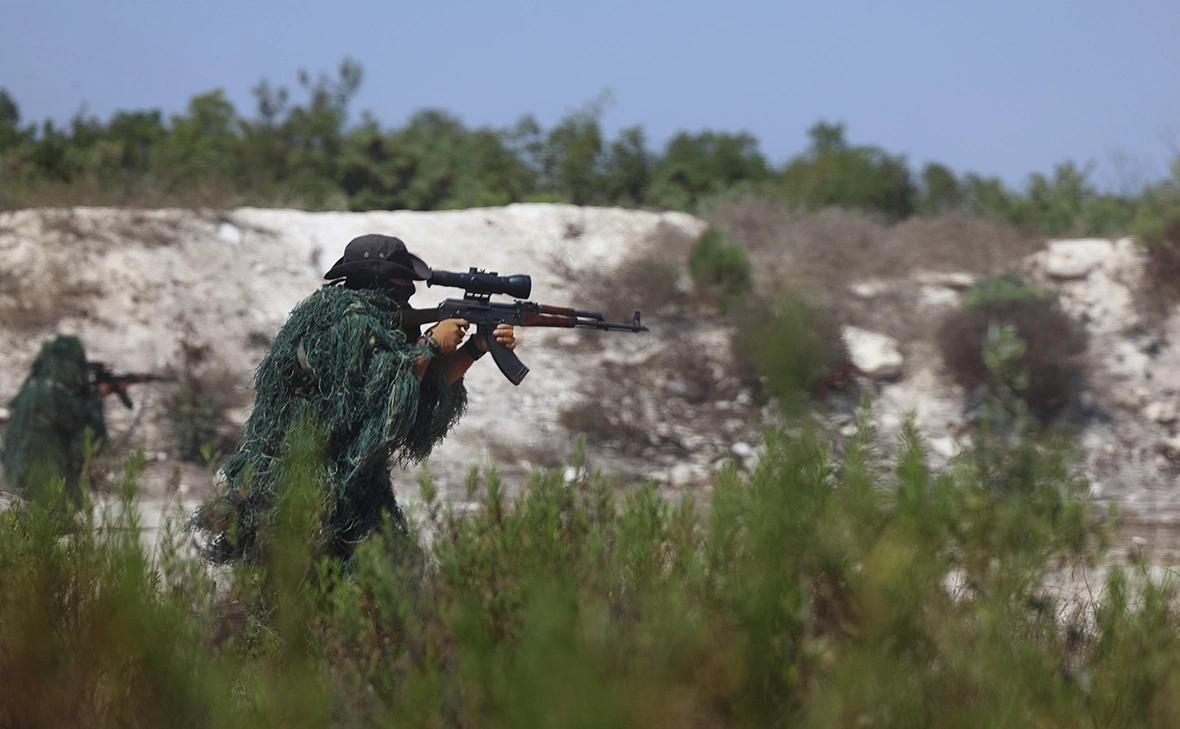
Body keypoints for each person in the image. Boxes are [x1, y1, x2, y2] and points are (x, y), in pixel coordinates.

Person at [197, 234, 515, 561]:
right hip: (305, 482)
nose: (409, 287)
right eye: (401, 278)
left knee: (392, 573)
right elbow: (380, 400)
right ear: (375, 277)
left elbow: (423, 390)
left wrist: (476, 347)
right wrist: (429, 345)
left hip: (351, 484)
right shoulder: (342, 323)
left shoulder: (383, 323)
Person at [0, 335, 113, 506]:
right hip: (46, 479)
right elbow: (86, 432)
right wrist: (96, 399)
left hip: (24, 480)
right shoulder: (51, 394)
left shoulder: (33, 389)